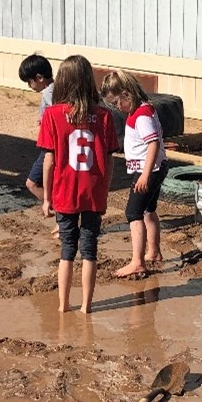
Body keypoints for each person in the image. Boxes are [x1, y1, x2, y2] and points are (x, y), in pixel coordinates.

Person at [37, 55, 118, 314]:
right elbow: (110, 160)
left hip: (64, 191)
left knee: (67, 249)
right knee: (90, 248)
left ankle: (63, 306)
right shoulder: (104, 117)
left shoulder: (52, 115)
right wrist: (104, 191)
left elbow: (49, 161)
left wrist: (47, 197)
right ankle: (87, 306)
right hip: (93, 192)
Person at [101, 70, 169, 278]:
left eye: (115, 103)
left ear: (126, 94)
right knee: (148, 209)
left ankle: (138, 262)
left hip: (147, 170)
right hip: (155, 168)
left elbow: (153, 143)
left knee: (133, 213)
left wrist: (145, 175)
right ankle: (154, 251)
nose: (116, 108)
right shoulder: (142, 109)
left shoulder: (141, 115)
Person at [18, 54, 55, 204]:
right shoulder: (55, 89)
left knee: (32, 183)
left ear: (39, 78)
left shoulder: (49, 93)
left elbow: (59, 113)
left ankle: (60, 215)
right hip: (52, 145)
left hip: (51, 146)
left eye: (29, 81)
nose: (29, 85)